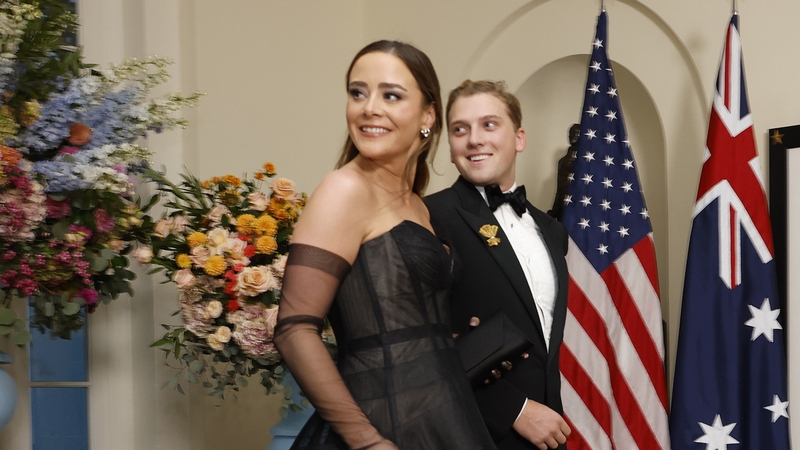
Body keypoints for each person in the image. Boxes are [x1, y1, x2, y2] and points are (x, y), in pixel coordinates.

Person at [273, 42, 497, 450]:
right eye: (358, 93)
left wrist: (457, 340)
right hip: (381, 428)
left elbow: (399, 319)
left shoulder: (415, 201)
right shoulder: (343, 190)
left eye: (390, 95)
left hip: (446, 416)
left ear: (428, 116)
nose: (368, 108)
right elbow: (294, 330)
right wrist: (367, 442)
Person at [425, 80, 571, 450]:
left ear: (519, 138)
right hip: (469, 433)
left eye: (489, 124)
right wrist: (515, 410)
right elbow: (413, 345)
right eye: (460, 129)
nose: (474, 139)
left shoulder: (552, 231)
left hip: (547, 435)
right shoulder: (428, 216)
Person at [547, 123, 580, 220]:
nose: (573, 135)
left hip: (577, 210)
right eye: (571, 133)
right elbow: (560, 190)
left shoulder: (585, 163)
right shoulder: (562, 161)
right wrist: (554, 212)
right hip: (563, 208)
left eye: (576, 133)